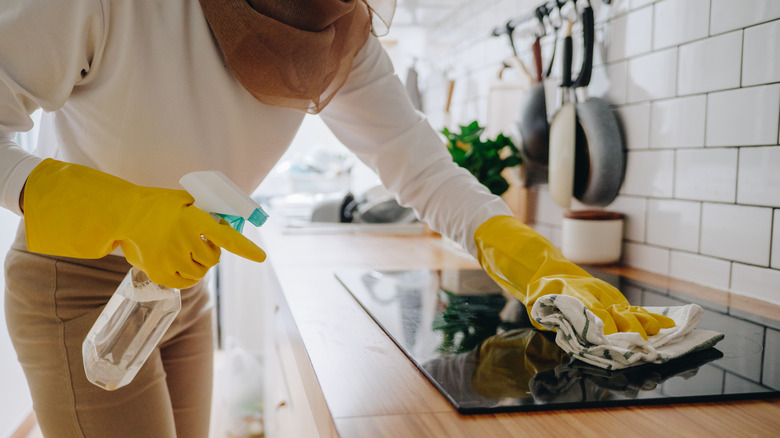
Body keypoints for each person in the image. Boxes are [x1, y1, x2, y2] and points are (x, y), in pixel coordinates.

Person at [0, 1, 673, 436]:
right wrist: (115, 207)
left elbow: (425, 171)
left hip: (178, 286)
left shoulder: (332, 27)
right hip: (76, 287)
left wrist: (535, 261)